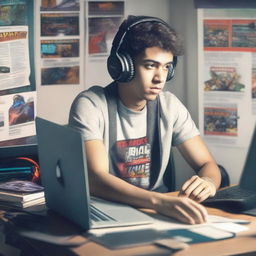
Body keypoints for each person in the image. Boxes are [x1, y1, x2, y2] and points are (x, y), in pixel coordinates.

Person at [69, 15, 221, 225]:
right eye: (151, 65)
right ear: (122, 66)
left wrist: (208, 181)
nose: (160, 77)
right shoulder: (91, 104)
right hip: (106, 213)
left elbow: (207, 164)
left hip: (158, 213)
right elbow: (96, 179)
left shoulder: (170, 106)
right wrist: (159, 202)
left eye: (167, 67)